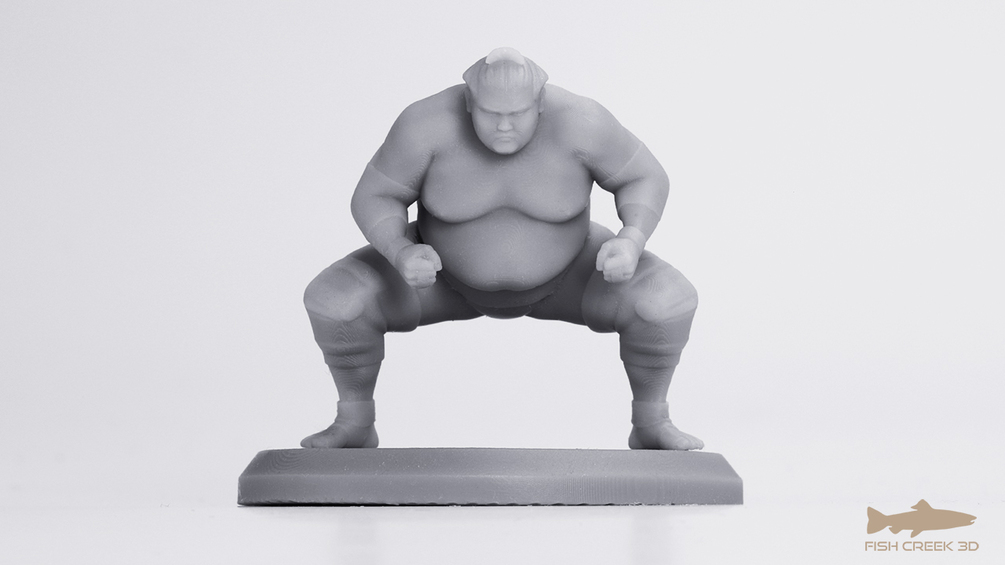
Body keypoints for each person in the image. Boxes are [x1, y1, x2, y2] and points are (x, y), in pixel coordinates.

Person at [301, 47, 703, 450]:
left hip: (574, 275)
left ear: (540, 102)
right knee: (337, 302)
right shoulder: (424, 126)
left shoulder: (584, 123)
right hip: (436, 278)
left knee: (664, 302)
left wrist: (631, 239)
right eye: (491, 114)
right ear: (469, 101)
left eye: (517, 114)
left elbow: (644, 176)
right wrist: (399, 250)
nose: (504, 126)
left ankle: (651, 422)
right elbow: (376, 194)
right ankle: (354, 422)